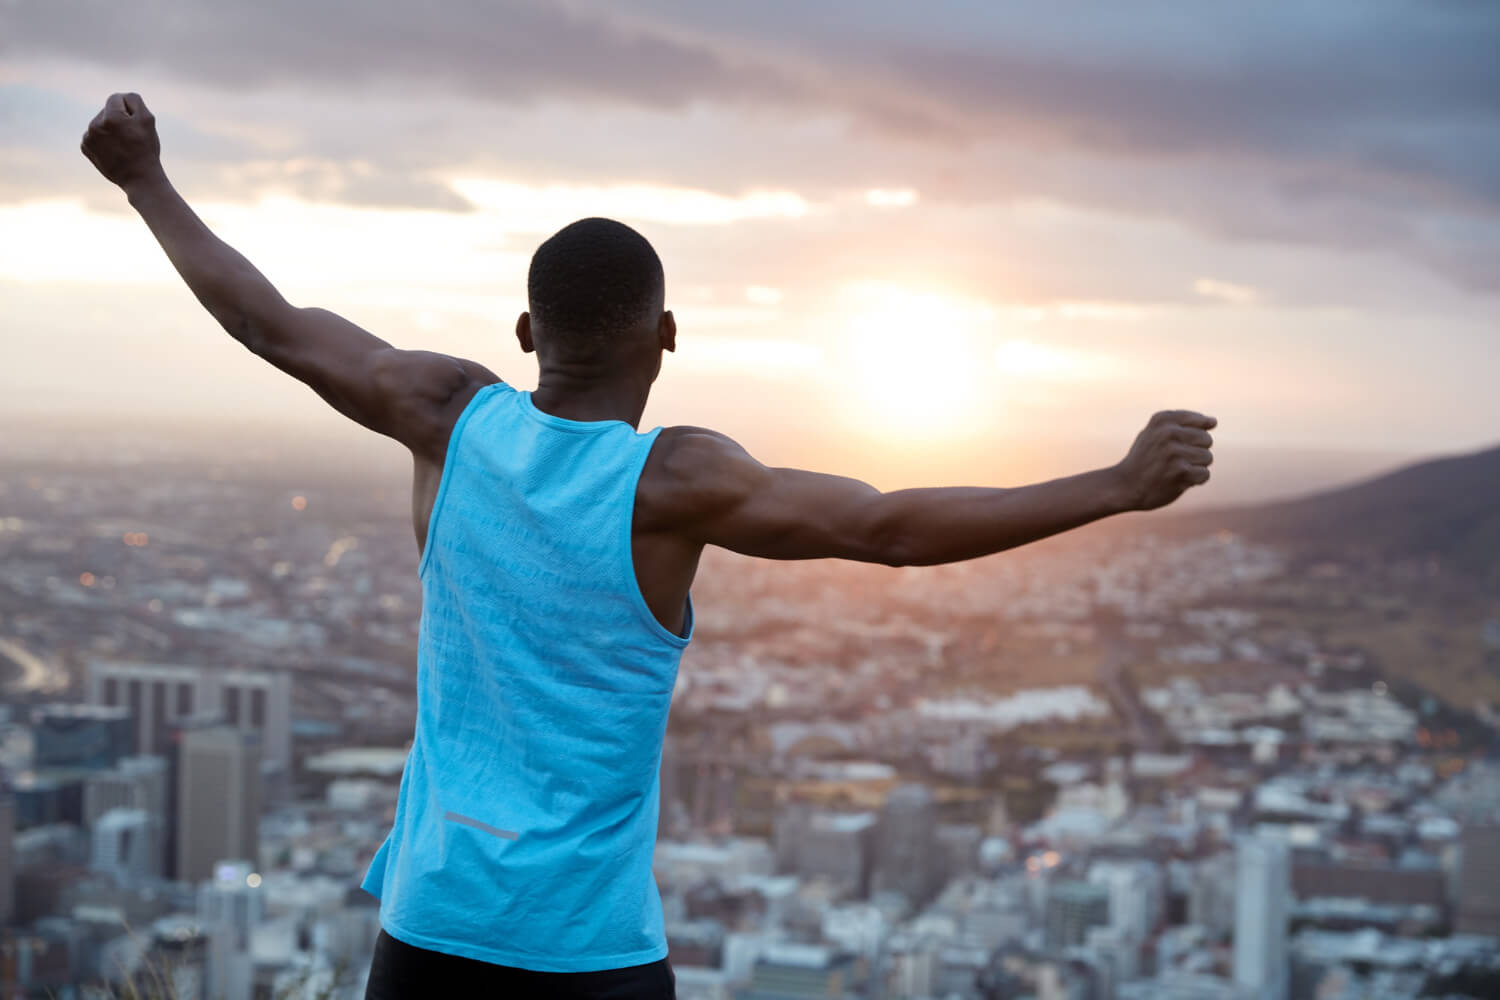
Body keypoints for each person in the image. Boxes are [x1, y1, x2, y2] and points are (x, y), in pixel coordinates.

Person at [82, 92, 1215, 999]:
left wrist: (146, 180)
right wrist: (1114, 486)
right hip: (592, 955)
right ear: (667, 338)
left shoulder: (448, 416)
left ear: (526, 334)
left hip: (430, 928)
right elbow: (888, 528)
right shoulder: (674, 482)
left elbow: (266, 322)